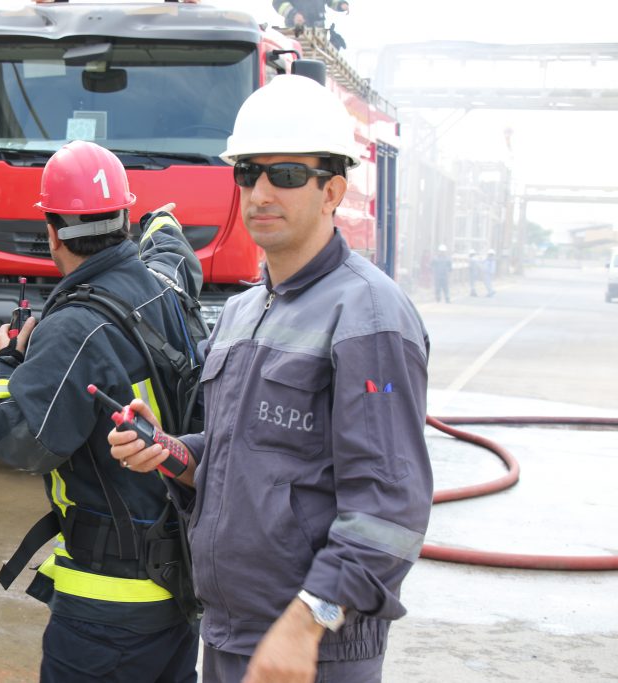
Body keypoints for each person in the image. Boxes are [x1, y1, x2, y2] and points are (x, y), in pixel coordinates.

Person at [109, 75, 433, 683]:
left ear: (332, 190)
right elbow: (239, 457)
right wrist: (171, 452)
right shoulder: (241, 312)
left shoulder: (369, 317)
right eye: (247, 172)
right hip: (232, 632)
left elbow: (389, 504)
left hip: (314, 651)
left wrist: (309, 620)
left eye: (284, 174)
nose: (260, 192)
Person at [0, 140, 203, 682]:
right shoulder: (164, 290)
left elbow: (19, 439)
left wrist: (2, 365)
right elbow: (175, 257)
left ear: (53, 232)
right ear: (124, 219)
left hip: (107, 608)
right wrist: (162, 223)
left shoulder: (73, 329)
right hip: (177, 586)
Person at [274, 0, 349, 28]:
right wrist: (293, 14)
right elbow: (278, 3)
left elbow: (332, 1)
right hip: (296, 30)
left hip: (318, 32)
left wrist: (341, 4)